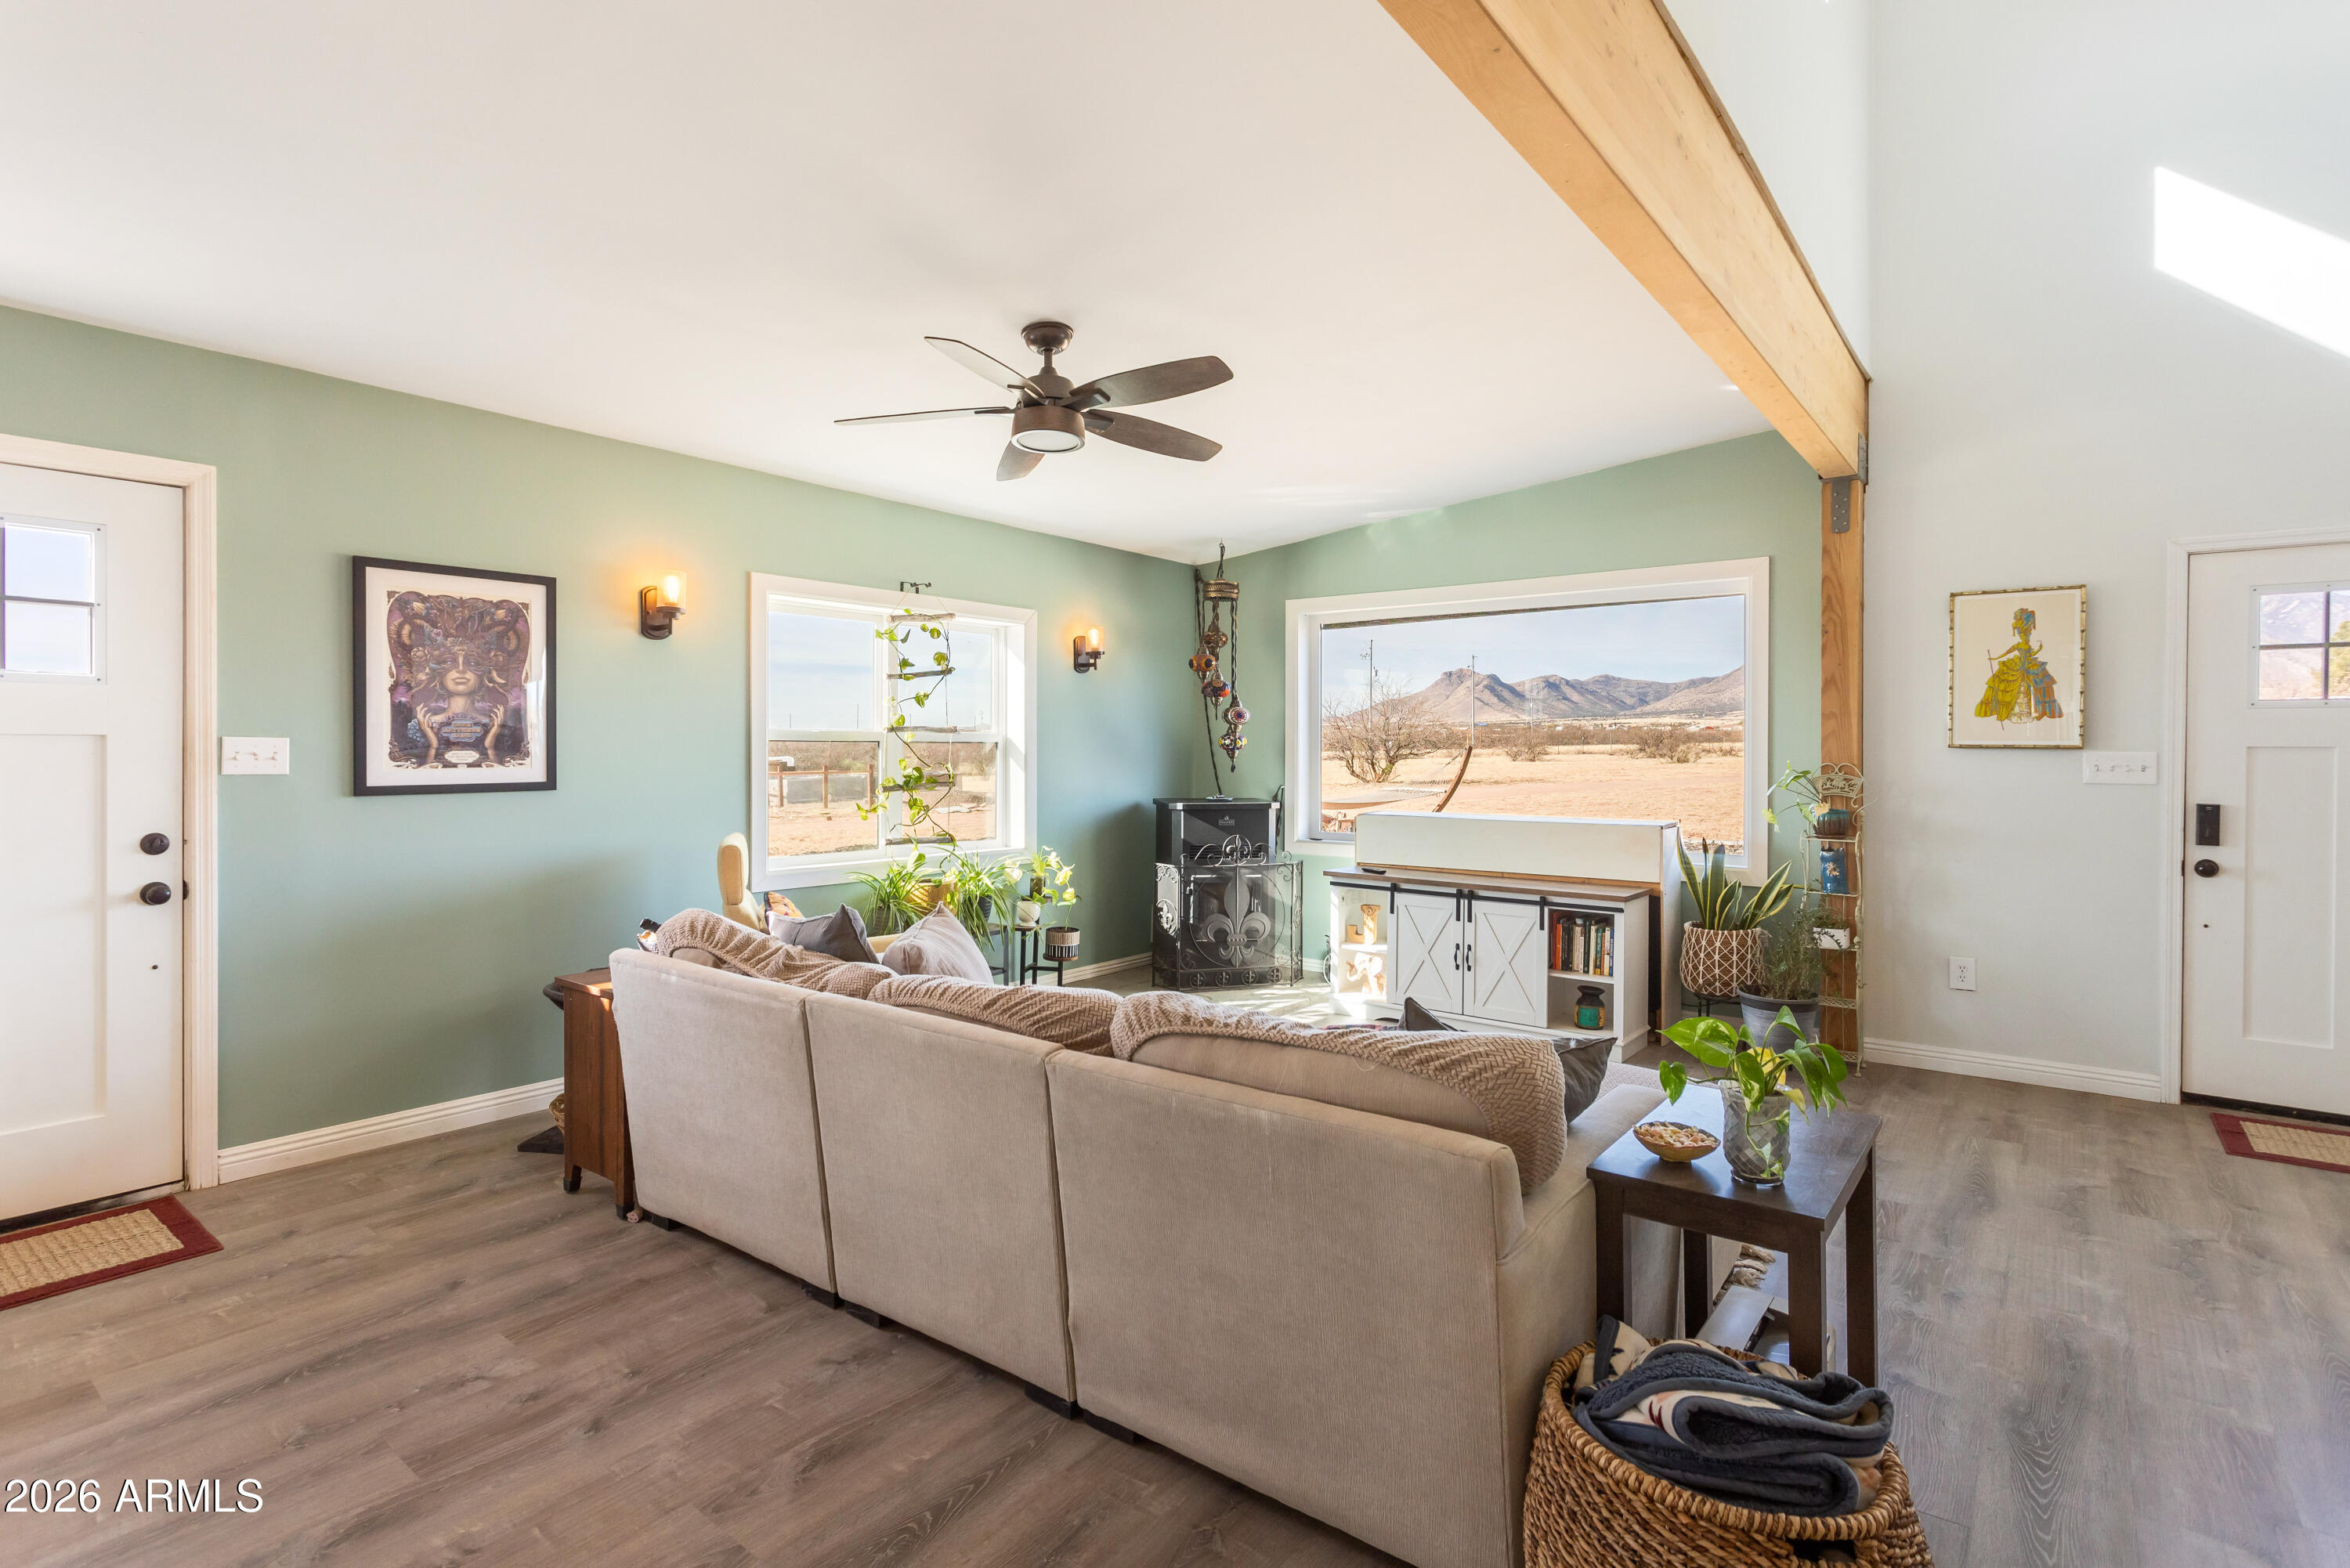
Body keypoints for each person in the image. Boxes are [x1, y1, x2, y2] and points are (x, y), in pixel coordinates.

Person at [1974, 606, 2063, 724]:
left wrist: (2039, 650)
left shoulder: (2028, 645)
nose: (2026, 636)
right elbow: (2006, 653)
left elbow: (2032, 654)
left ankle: (2032, 711)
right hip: (2019, 665)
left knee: (2037, 684)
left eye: (2027, 635)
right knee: (2008, 687)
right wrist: (1995, 658)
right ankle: (2011, 711)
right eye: (2025, 635)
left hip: (2028, 665)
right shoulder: (2018, 645)